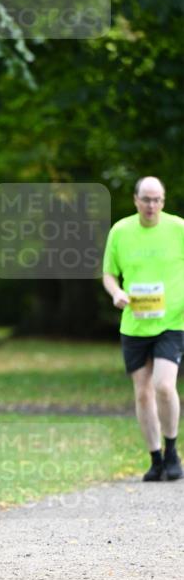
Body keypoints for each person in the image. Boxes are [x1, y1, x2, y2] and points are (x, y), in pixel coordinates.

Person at [102, 176, 184, 482]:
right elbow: (109, 274)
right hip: (135, 324)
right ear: (135, 200)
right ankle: (155, 458)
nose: (152, 205)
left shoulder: (178, 228)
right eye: (146, 199)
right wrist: (116, 293)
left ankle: (173, 450)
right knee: (143, 393)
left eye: (157, 199)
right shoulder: (121, 231)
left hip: (173, 321)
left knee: (164, 386)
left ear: (164, 201)